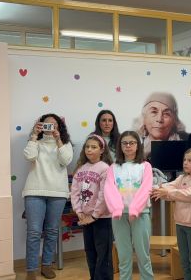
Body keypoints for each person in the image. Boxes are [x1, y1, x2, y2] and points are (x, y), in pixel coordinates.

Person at [23, 113, 74, 280]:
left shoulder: (65, 144)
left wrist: (58, 140)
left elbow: (65, 160)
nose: (50, 128)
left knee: (52, 231)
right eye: (46, 124)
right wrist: (33, 136)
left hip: (57, 192)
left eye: (54, 125)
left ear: (59, 127)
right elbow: (29, 156)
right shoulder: (35, 142)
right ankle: (31, 269)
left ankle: (46, 265)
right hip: (34, 191)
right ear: (40, 126)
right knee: (34, 232)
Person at [151, 148, 191, 280]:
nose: (185, 163)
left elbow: (190, 195)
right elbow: (168, 187)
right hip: (180, 223)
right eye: (184, 160)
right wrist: (156, 189)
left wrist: (168, 192)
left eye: (190, 160)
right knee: (184, 260)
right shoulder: (182, 177)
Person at [104, 131, 153, 280]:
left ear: (138, 146)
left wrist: (135, 209)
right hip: (119, 216)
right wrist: (117, 208)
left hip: (141, 214)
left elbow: (146, 189)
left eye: (132, 143)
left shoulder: (145, 166)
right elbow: (109, 189)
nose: (128, 146)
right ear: (120, 146)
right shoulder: (113, 167)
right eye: (124, 143)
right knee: (124, 257)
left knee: (143, 257)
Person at [70, 135, 114, 280]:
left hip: (101, 218)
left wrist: (94, 215)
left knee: (103, 254)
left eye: (94, 147)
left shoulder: (105, 168)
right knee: (90, 251)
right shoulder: (81, 168)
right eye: (87, 147)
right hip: (85, 218)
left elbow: (103, 194)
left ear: (102, 150)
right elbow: (75, 191)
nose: (89, 150)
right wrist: (79, 211)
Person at [134, 92, 188, 158]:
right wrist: (143, 153)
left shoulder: (186, 148)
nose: (159, 119)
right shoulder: (133, 145)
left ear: (174, 120)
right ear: (144, 118)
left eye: (166, 114)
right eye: (154, 112)